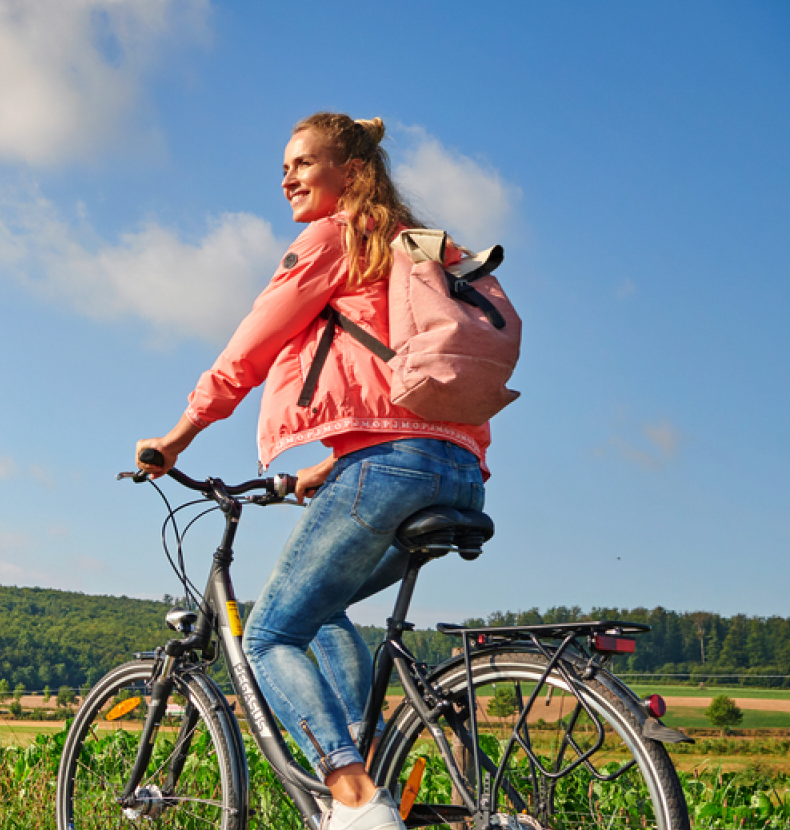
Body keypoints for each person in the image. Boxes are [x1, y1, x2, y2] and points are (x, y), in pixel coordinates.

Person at [136, 114, 492, 830]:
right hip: (460, 468)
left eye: (303, 163)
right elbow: (407, 374)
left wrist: (177, 436)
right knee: (320, 609)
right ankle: (376, 773)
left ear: (353, 173)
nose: (287, 177)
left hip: (390, 468)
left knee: (269, 634)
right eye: (284, 166)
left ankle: (355, 798)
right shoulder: (418, 247)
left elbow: (252, 346)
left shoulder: (336, 238)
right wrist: (333, 463)